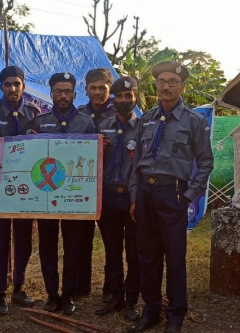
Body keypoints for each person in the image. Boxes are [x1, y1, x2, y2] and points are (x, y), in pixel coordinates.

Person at [127, 61, 214, 333]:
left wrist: (187, 197)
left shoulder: (194, 121)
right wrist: (134, 197)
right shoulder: (147, 118)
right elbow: (136, 163)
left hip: (173, 194)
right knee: (147, 256)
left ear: (181, 86)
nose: (165, 86)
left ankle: (175, 316)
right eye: (161, 81)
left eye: (171, 82)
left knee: (174, 258)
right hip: (145, 194)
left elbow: (206, 163)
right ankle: (151, 310)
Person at [32, 72, 95, 315]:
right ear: (51, 94)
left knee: (73, 247)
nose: (63, 95)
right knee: (47, 245)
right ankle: (51, 295)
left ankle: (68, 295)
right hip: (46, 195)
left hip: (73, 198)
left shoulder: (86, 122)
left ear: (74, 94)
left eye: (67, 91)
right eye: (58, 91)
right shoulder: (40, 121)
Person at [0, 65, 40, 315]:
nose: (12, 89)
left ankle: (18, 287)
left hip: (28, 187)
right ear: (1, 87)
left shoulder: (34, 112)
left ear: (23, 86)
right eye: (8, 84)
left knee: (23, 239)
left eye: (17, 84)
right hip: (0, 186)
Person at [94, 76, 140, 321]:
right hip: (109, 197)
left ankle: (132, 300)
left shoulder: (144, 127)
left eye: (128, 96)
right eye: (119, 96)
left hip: (132, 200)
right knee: (112, 251)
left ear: (136, 97)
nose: (123, 101)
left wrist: (137, 199)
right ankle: (113, 296)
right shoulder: (103, 126)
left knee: (134, 252)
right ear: (113, 99)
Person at [75, 68, 116, 301]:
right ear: (86, 89)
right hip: (82, 187)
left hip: (109, 187)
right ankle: (82, 287)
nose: (98, 92)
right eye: (93, 88)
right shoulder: (79, 114)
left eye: (102, 87)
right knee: (82, 240)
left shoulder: (120, 112)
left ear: (109, 88)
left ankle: (111, 289)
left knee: (111, 242)